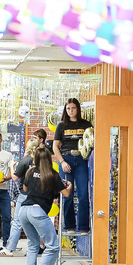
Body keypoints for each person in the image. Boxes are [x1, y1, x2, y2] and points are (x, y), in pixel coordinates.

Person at [18, 147, 72, 265]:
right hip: (37, 211)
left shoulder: (30, 172)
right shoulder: (52, 175)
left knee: (32, 244)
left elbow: (25, 189)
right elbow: (65, 194)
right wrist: (69, 186)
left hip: (24, 210)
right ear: (49, 159)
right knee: (53, 246)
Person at [52, 98, 92, 234]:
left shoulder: (86, 124)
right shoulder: (61, 125)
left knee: (83, 195)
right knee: (67, 195)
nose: (71, 111)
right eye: (68, 108)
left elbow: (92, 143)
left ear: (78, 109)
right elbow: (55, 146)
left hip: (81, 159)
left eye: (73, 108)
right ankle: (69, 226)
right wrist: (62, 162)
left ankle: (84, 227)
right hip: (66, 159)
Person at [0, 137, 38, 257]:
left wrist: (11, 166)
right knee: (34, 222)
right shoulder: (39, 161)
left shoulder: (25, 161)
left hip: (24, 194)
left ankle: (10, 248)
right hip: (36, 195)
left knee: (17, 222)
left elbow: (15, 177)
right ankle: (34, 249)